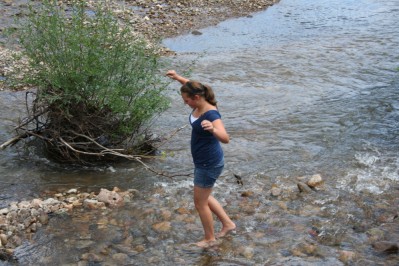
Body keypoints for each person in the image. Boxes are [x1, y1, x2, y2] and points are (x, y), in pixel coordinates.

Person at [166, 70, 236, 248]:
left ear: (197, 97)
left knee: (199, 203)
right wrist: (178, 78)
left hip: (209, 163)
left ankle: (209, 239)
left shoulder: (211, 114)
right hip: (204, 161)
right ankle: (228, 224)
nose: (185, 103)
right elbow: (191, 84)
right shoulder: (201, 97)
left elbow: (226, 138)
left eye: (187, 100)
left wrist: (212, 129)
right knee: (205, 197)